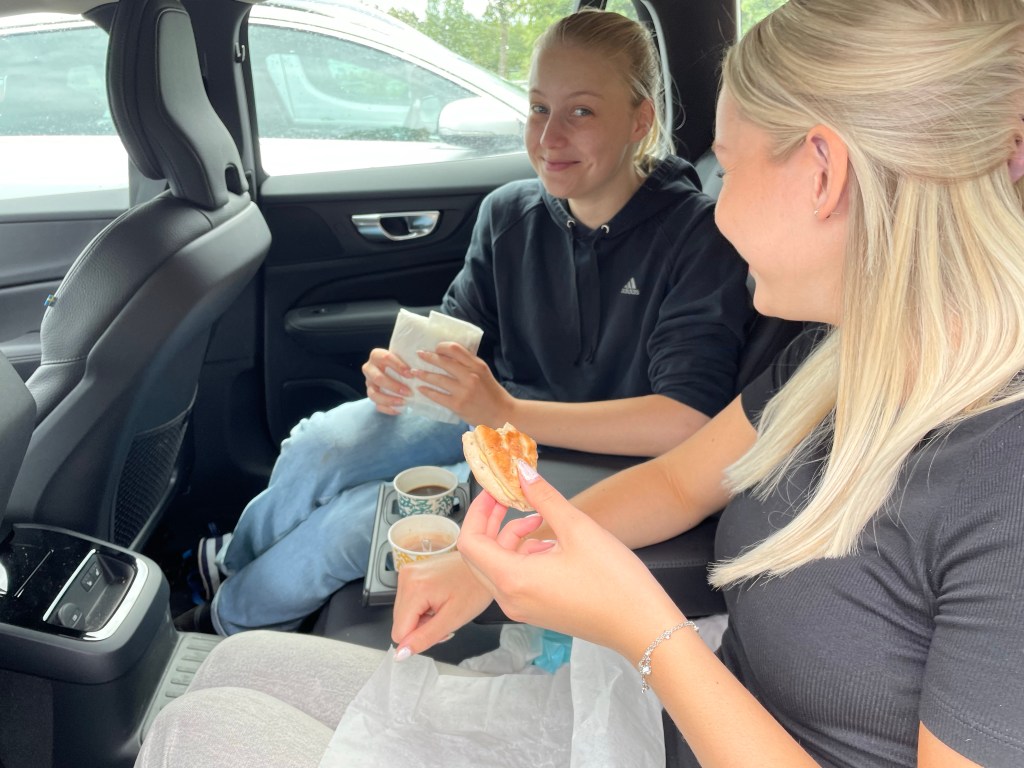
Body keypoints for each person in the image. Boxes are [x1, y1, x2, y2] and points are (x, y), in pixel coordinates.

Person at [137, 0, 1024, 765]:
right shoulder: (838, 360)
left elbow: (673, 449)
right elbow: (680, 482)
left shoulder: (1001, 477)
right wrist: (482, 570)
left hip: (673, 697)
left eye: (729, 161)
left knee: (200, 734)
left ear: (822, 174)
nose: (716, 201)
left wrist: (645, 629)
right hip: (660, 715)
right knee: (228, 673)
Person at [175, 8, 752, 636]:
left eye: (581, 111)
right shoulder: (509, 214)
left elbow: (684, 421)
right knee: (318, 444)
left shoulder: (696, 237)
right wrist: (402, 372)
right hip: (494, 416)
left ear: (640, 120)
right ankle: (230, 567)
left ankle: (223, 623)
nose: (550, 136)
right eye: (538, 108)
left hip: (598, 459)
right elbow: (457, 336)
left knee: (359, 522)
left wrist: (506, 411)